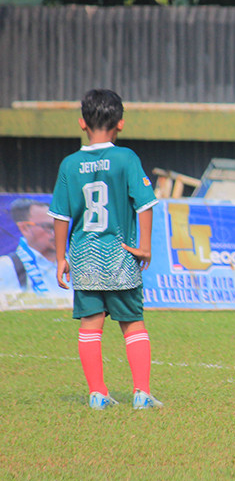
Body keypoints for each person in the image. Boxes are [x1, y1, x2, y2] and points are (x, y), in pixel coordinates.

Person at [48, 89, 162, 411]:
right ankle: (141, 393)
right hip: (120, 256)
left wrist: (60, 258)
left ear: (82, 123)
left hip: (84, 258)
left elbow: (60, 215)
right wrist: (146, 246)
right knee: (133, 323)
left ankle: (97, 394)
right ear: (121, 124)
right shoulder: (126, 159)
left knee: (90, 325)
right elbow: (146, 204)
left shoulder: (69, 164)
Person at [0, 198, 72, 296]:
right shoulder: (7, 266)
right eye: (49, 227)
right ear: (25, 228)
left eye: (59, 227)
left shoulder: (74, 263)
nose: (56, 233)